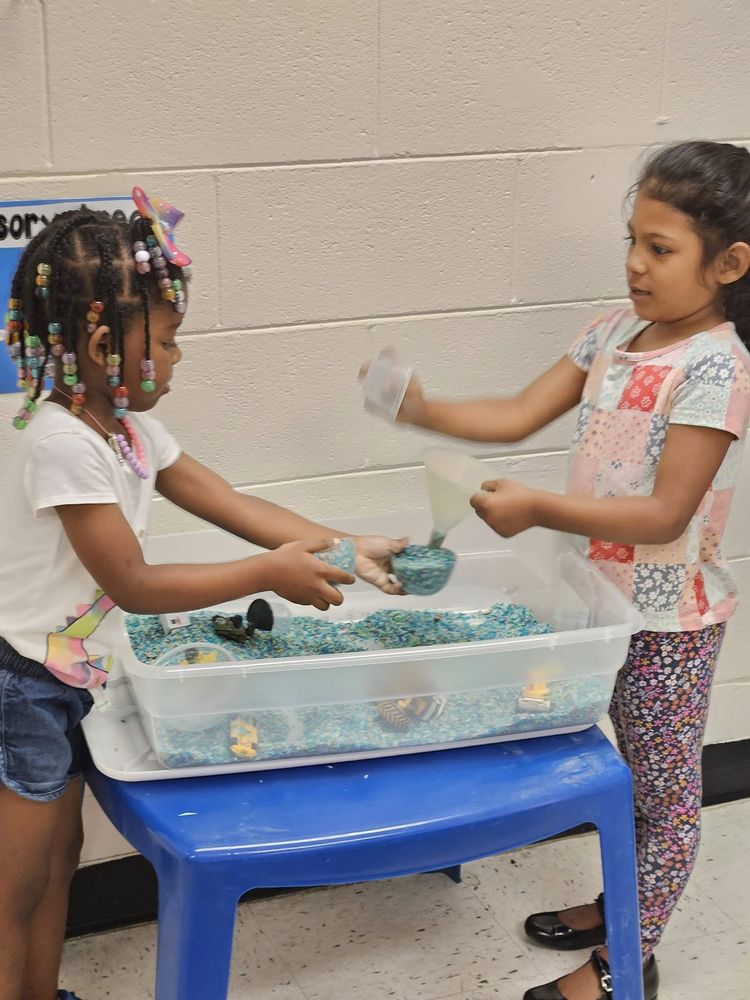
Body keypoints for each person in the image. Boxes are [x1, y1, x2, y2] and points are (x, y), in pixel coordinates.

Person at [365, 141, 750, 1000]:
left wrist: (540, 507)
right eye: (632, 240)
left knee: (665, 797)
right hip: (602, 608)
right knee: (619, 771)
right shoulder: (615, 334)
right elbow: (514, 414)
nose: (635, 265)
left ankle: (625, 964)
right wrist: (419, 406)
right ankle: (623, 904)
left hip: (668, 625)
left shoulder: (717, 366)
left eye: (661, 248)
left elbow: (665, 514)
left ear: (728, 264)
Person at [0, 192, 405, 1000]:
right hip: (21, 684)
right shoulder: (59, 441)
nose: (181, 358)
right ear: (105, 341)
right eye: (172, 339)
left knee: (58, 859)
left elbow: (235, 504)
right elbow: (133, 583)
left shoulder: (132, 433)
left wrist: (344, 545)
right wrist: (267, 574)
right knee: (14, 886)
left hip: (70, 676)